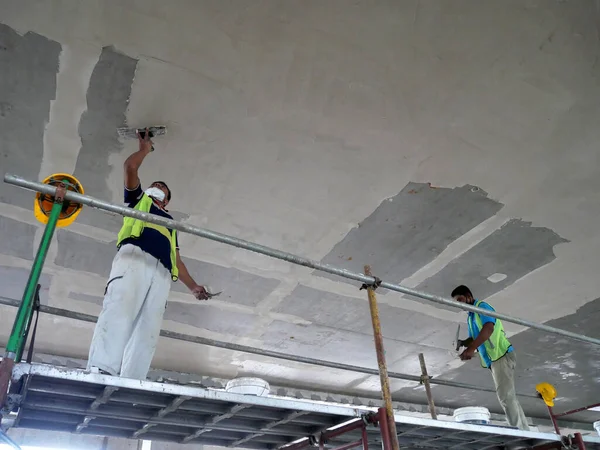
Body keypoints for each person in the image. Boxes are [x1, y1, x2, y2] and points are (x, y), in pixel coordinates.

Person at [87, 130, 210, 379]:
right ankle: (101, 369)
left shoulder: (170, 223)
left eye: (162, 188)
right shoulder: (137, 201)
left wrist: (194, 287)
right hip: (135, 259)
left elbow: (176, 259)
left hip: (162, 274)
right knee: (120, 309)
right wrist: (144, 150)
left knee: (148, 329)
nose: (157, 187)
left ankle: (133, 380)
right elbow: (130, 168)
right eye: (155, 185)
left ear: (166, 202)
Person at [451, 285, 530, 431]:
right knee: (508, 396)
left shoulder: (482, 307)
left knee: (505, 397)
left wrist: (472, 348)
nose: (460, 304)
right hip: (495, 359)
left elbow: (488, 329)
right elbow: (476, 336)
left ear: (468, 295)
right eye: (457, 302)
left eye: (461, 300)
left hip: (501, 355)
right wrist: (465, 344)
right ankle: (523, 429)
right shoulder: (472, 315)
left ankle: (519, 431)